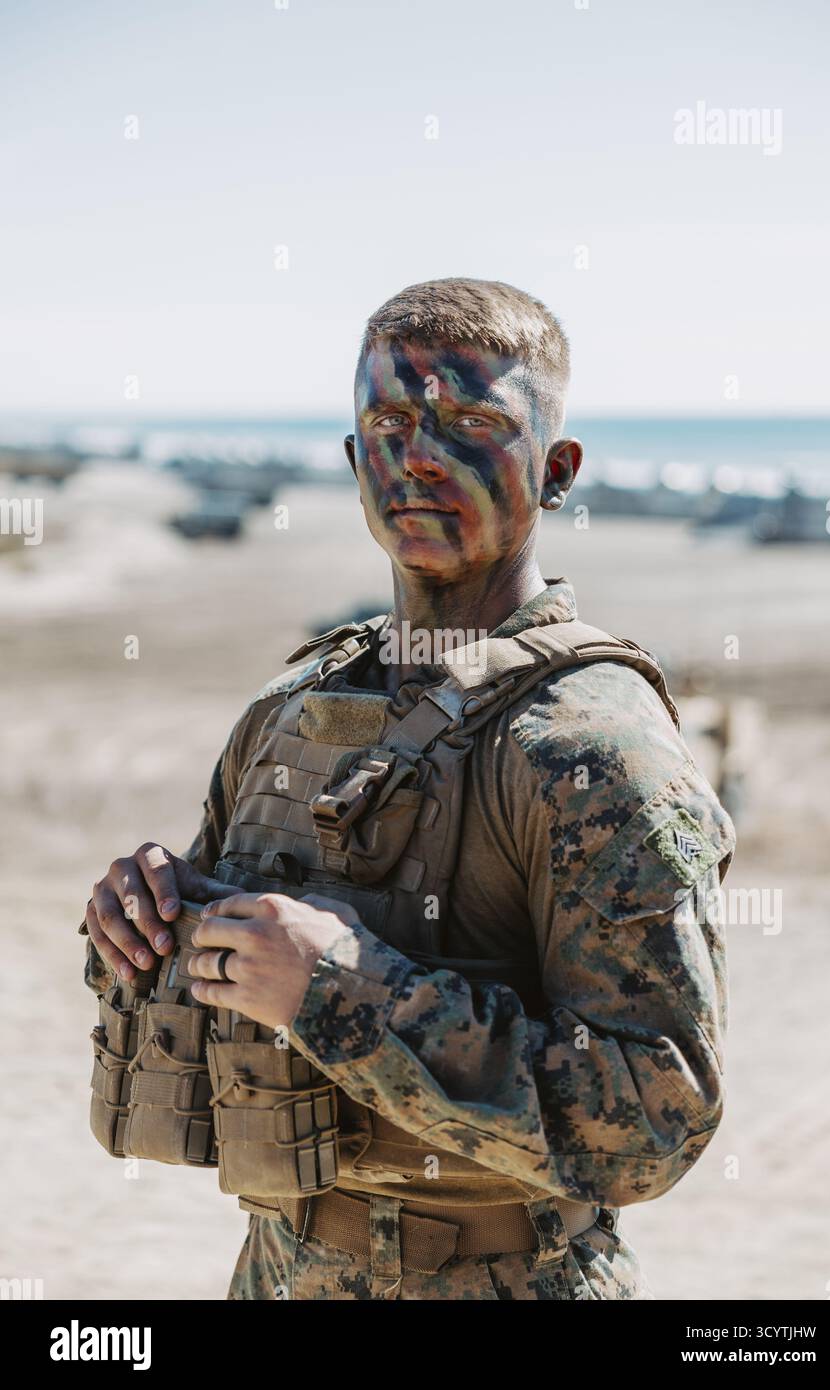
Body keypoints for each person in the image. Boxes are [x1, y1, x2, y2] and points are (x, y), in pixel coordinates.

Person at [83, 277, 735, 1300]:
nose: (419, 455)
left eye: (472, 421)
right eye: (388, 421)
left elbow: (653, 1119)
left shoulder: (589, 741)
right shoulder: (293, 705)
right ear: (353, 460)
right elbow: (222, 986)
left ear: (555, 470)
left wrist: (334, 986)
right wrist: (143, 925)